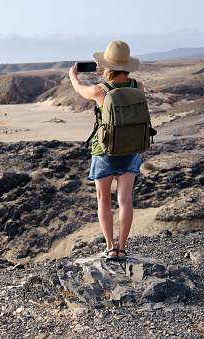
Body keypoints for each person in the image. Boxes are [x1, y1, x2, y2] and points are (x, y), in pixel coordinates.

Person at [68, 40, 143, 260]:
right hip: (131, 149)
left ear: (107, 64)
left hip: (104, 151)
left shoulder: (100, 91)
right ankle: (122, 247)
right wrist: (109, 72)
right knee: (125, 200)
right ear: (127, 65)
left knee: (104, 200)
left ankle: (110, 247)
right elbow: (121, 86)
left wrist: (73, 76)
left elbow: (80, 89)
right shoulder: (138, 87)